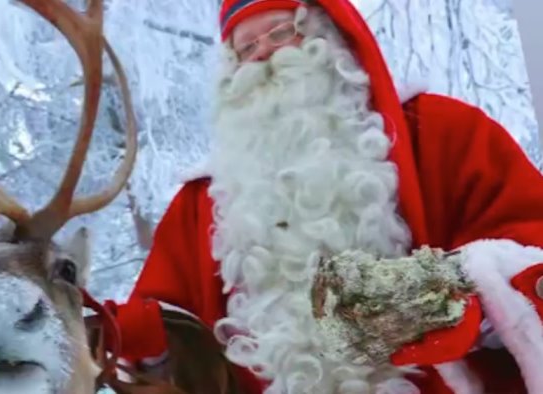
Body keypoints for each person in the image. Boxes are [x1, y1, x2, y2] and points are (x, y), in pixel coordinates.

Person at [107, 0, 543, 393]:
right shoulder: (202, 203)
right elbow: (167, 336)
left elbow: (530, 244)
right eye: (245, 49)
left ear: (332, 36)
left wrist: (460, 295)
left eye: (281, 33)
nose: (263, 54)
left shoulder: (445, 134)